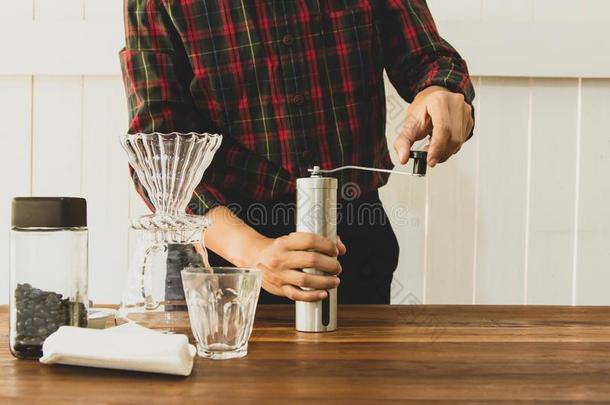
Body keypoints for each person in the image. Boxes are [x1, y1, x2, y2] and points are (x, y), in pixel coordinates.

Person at [121, 0, 475, 305]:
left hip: (352, 236)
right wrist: (253, 252)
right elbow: (157, 148)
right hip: (219, 252)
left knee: (357, 384)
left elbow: (428, 60)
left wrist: (439, 92)